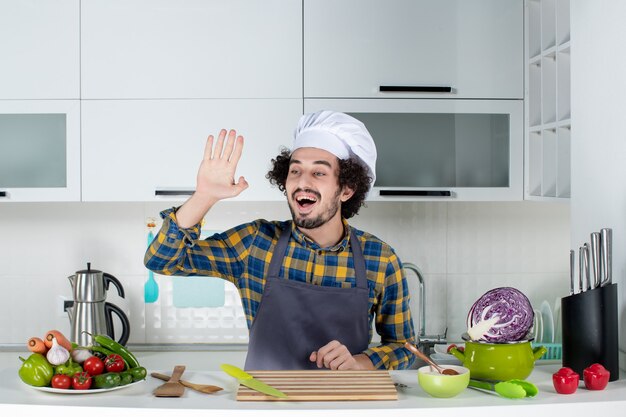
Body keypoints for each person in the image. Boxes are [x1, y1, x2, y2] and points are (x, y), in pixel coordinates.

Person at [144, 111, 416, 371]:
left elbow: (404, 347)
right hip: (265, 403)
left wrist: (360, 363)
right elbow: (162, 261)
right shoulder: (255, 244)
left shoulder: (380, 259)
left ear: (346, 189)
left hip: (341, 403)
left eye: (319, 173)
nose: (302, 182)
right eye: (295, 171)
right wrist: (204, 197)